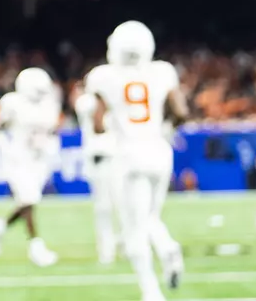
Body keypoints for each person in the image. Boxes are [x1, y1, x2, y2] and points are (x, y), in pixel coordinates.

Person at [85, 21, 186, 301]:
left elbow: (97, 125)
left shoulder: (103, 76)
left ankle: (150, 290)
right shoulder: (163, 71)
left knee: (133, 226)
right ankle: (166, 247)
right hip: (158, 150)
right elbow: (180, 111)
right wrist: (162, 131)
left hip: (127, 154)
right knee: (150, 217)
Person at [0, 68, 60, 267]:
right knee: (29, 198)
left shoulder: (49, 104)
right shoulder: (13, 103)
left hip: (39, 160)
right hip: (18, 159)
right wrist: (7, 149)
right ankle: (36, 245)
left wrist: (51, 145)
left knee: (29, 200)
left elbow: (51, 131)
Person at [73, 80, 119, 264]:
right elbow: (98, 125)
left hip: (119, 158)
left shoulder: (117, 100)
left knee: (124, 206)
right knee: (104, 207)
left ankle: (125, 243)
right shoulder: (86, 101)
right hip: (99, 159)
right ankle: (107, 249)